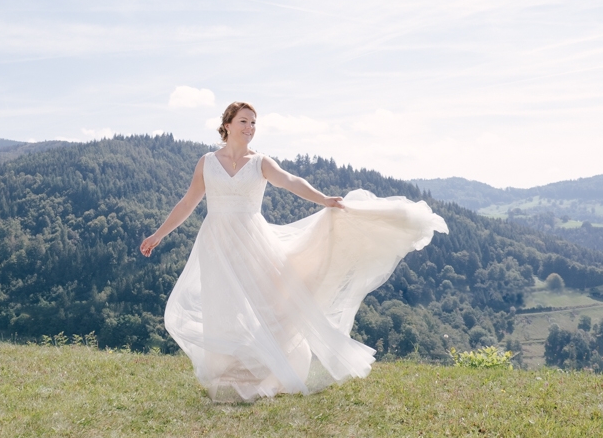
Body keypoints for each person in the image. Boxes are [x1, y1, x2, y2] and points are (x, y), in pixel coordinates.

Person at [140, 101, 448, 402]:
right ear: (227, 125)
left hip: (252, 241)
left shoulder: (261, 162)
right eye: (244, 121)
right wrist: (158, 235)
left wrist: (324, 199)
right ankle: (229, 375)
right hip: (216, 244)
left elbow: (290, 181)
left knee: (270, 304)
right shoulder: (207, 162)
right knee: (223, 308)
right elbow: (188, 202)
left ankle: (272, 370)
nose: (250, 128)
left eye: (253, 123)